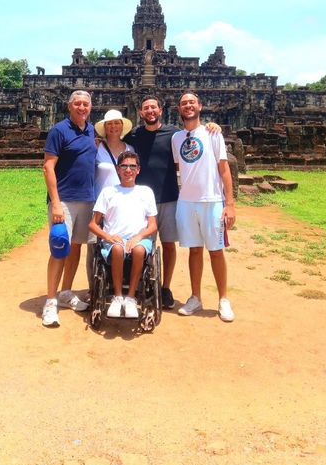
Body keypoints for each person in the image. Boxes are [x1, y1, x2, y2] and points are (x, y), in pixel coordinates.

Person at [125, 95, 220, 310]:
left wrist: (212, 126)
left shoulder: (174, 135)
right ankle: (142, 284)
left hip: (169, 197)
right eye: (146, 108)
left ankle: (165, 287)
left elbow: (192, 144)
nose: (150, 111)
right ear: (140, 113)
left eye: (153, 107)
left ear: (161, 110)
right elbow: (113, 137)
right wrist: (97, 139)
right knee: (143, 245)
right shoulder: (134, 135)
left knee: (168, 245)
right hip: (142, 200)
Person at [171, 92, 236, 322]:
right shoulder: (176, 138)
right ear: (179, 109)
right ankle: (195, 297)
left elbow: (224, 169)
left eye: (192, 102)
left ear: (200, 106)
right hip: (186, 201)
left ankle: (223, 299)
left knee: (216, 251)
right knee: (194, 250)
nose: (188, 106)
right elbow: (180, 167)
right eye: (183, 103)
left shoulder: (212, 133)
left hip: (212, 201)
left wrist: (229, 203)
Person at [42, 90, 95, 328]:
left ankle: (66, 292)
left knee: (76, 247)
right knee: (59, 247)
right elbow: (48, 167)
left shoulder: (94, 131)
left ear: (90, 107)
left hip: (87, 199)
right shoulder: (59, 131)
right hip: (63, 200)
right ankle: (51, 301)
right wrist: (55, 202)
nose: (82, 107)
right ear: (69, 106)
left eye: (85, 104)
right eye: (78, 104)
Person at [88, 151, 158, 319]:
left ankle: (131, 298)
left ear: (138, 170)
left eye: (132, 166)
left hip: (139, 238)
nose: (128, 170)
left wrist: (138, 237)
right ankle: (118, 296)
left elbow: (153, 225)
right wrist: (107, 236)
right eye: (124, 166)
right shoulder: (108, 192)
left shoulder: (146, 192)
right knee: (118, 249)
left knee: (139, 250)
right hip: (114, 240)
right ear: (118, 169)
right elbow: (92, 224)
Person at [86, 109, 135, 283]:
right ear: (104, 128)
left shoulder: (130, 149)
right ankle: (94, 286)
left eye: (117, 123)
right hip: (101, 203)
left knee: (122, 242)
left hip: (124, 203)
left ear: (122, 127)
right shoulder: (96, 147)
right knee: (94, 246)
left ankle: (123, 281)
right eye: (110, 124)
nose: (113, 127)